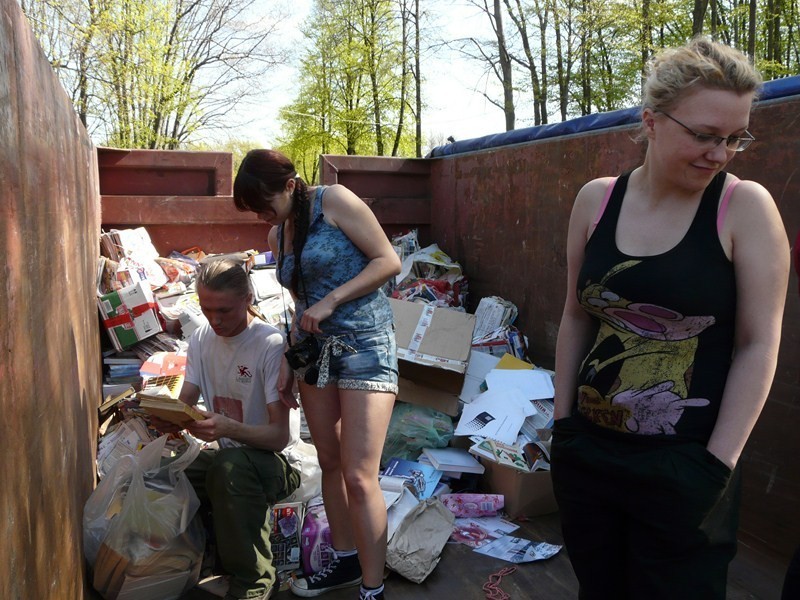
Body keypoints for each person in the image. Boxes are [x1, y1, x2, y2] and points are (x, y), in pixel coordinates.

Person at [550, 37, 789, 599]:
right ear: (651, 122)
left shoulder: (744, 207)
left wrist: (714, 467)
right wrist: (563, 428)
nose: (720, 153)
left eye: (735, 138)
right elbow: (575, 316)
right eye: (705, 135)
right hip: (589, 454)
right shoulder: (597, 200)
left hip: (686, 466)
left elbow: (760, 343)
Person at [233, 149, 401, 600]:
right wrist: (289, 360)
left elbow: (388, 261)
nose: (261, 217)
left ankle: (373, 587)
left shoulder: (337, 200)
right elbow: (298, 302)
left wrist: (333, 301)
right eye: (255, 211)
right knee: (330, 462)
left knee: (360, 474)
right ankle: (345, 560)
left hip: (365, 344)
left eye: (265, 204)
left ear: (289, 185)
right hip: (313, 353)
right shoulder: (277, 234)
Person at [153, 256, 300, 600]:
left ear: (247, 299)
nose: (215, 320)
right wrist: (165, 417)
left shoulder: (270, 345)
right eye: (206, 309)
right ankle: (183, 564)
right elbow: (186, 400)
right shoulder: (203, 337)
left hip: (277, 465)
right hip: (228, 454)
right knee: (164, 471)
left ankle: (255, 581)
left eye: (225, 311)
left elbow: (280, 437)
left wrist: (228, 429)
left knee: (228, 468)